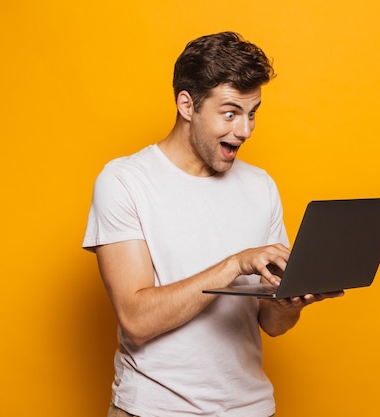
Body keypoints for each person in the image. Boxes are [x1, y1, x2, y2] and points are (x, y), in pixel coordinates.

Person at [83, 31, 344, 417]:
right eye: (230, 113)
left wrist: (290, 304)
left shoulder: (260, 187)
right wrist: (234, 264)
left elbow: (271, 324)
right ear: (187, 105)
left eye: (252, 113)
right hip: (154, 409)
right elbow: (137, 319)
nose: (245, 130)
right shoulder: (125, 181)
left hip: (250, 408)